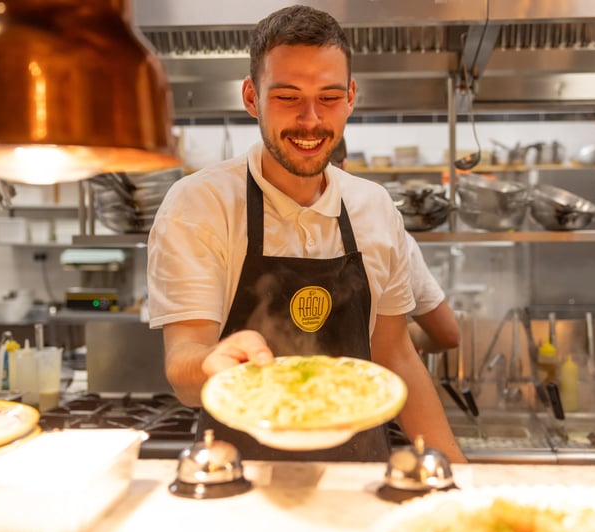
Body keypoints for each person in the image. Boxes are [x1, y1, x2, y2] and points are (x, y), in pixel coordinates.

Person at [146, 5, 466, 463]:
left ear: (351, 97)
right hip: (238, 481)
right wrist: (210, 362)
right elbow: (184, 365)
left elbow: (396, 357)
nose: (311, 119)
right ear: (252, 97)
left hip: (361, 480)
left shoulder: (374, 207)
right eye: (288, 97)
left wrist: (456, 469)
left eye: (329, 97)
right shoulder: (199, 205)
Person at [330, 138, 460, 354]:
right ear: (344, 165)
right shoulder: (384, 227)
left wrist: (397, 340)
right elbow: (448, 334)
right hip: (371, 373)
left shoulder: (384, 219)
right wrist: (408, 337)